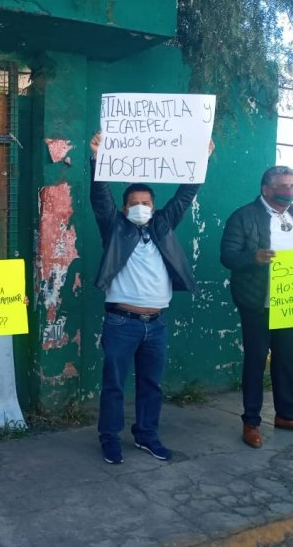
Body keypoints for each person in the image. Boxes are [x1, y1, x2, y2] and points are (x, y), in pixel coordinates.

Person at [89, 132, 214, 464]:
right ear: (124, 208)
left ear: (154, 207)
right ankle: (109, 439)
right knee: (114, 384)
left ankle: (146, 435)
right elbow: (100, 197)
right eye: (134, 203)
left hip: (157, 324)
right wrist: (97, 159)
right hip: (121, 322)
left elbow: (185, 195)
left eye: (146, 203)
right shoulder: (114, 227)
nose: (140, 208)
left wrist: (200, 159)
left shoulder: (163, 225)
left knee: (151, 384)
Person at [220, 165, 293, 448]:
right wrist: (253, 257)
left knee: (286, 361)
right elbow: (228, 256)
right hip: (257, 302)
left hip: (291, 302)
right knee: (255, 362)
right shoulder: (244, 216)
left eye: (292, 186)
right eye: (283, 186)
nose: (289, 191)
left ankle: (287, 415)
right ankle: (251, 422)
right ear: (266, 189)